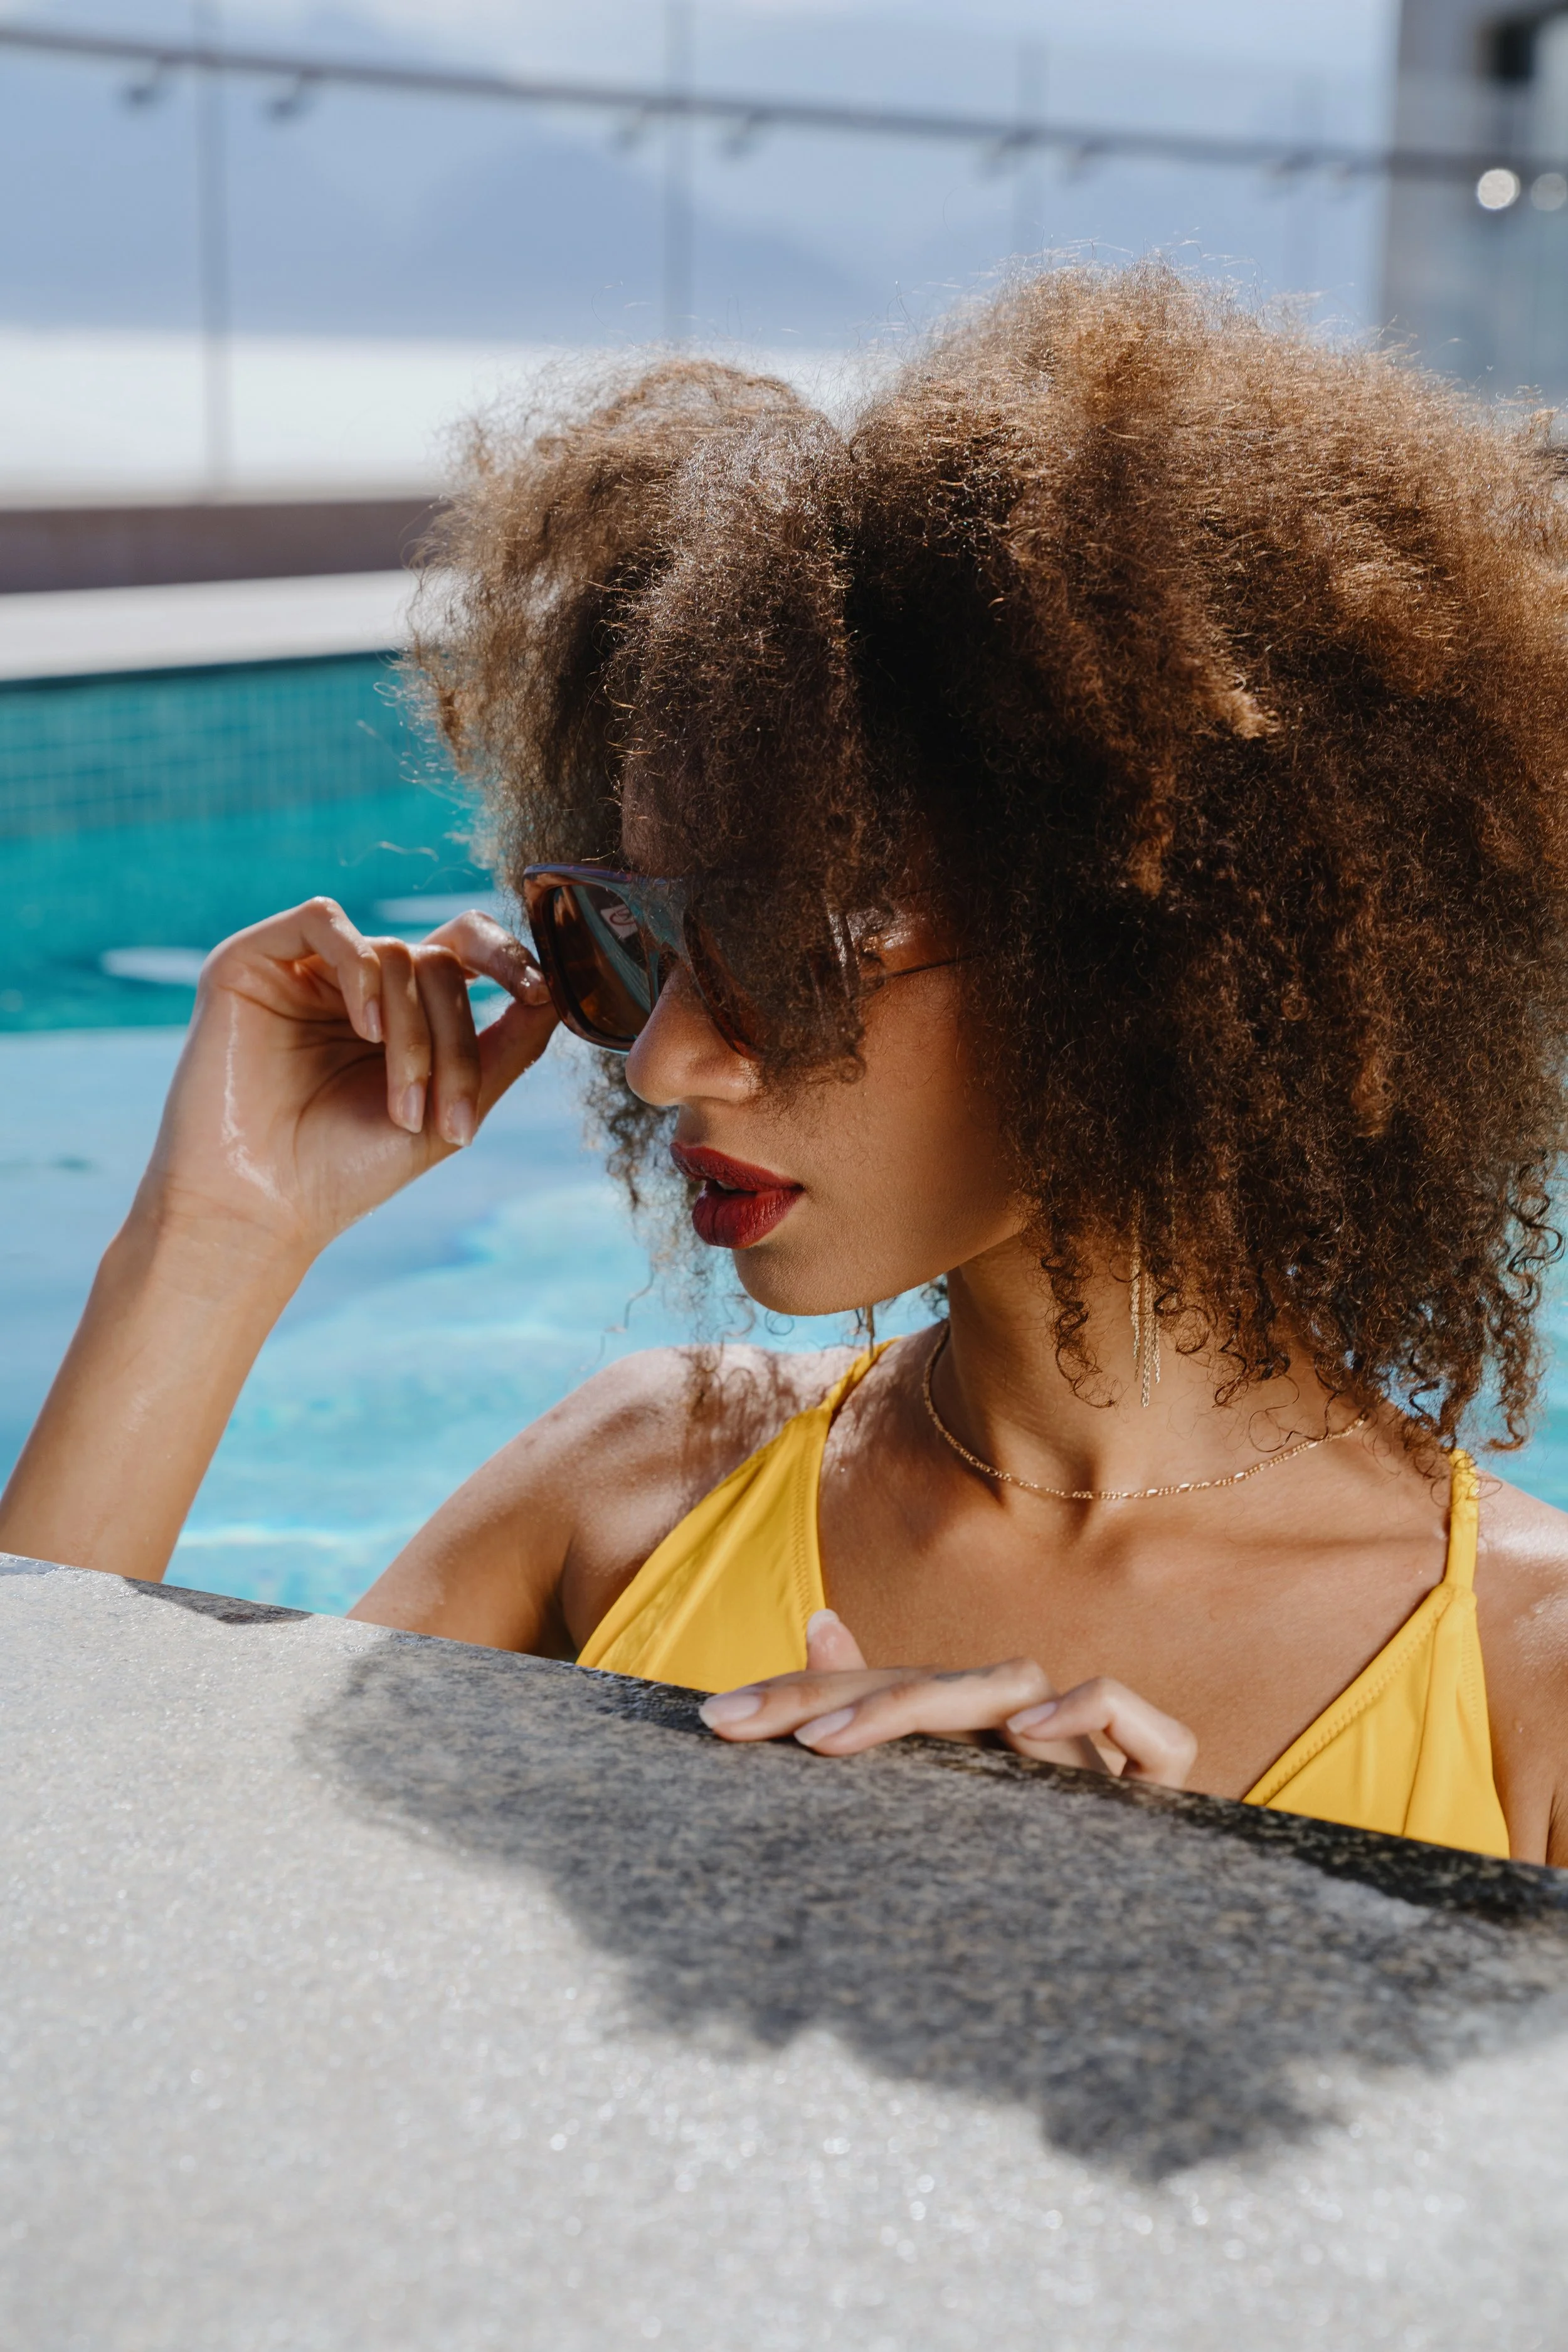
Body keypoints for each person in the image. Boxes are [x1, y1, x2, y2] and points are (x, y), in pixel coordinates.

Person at [9, 263, 1568, 1862]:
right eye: (624, 935)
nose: (671, 1060)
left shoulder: (1529, 1680)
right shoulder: (635, 1487)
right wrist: (211, 1238)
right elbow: (74, 1928)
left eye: (790, 952)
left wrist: (1174, 1938)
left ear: (1153, 961)